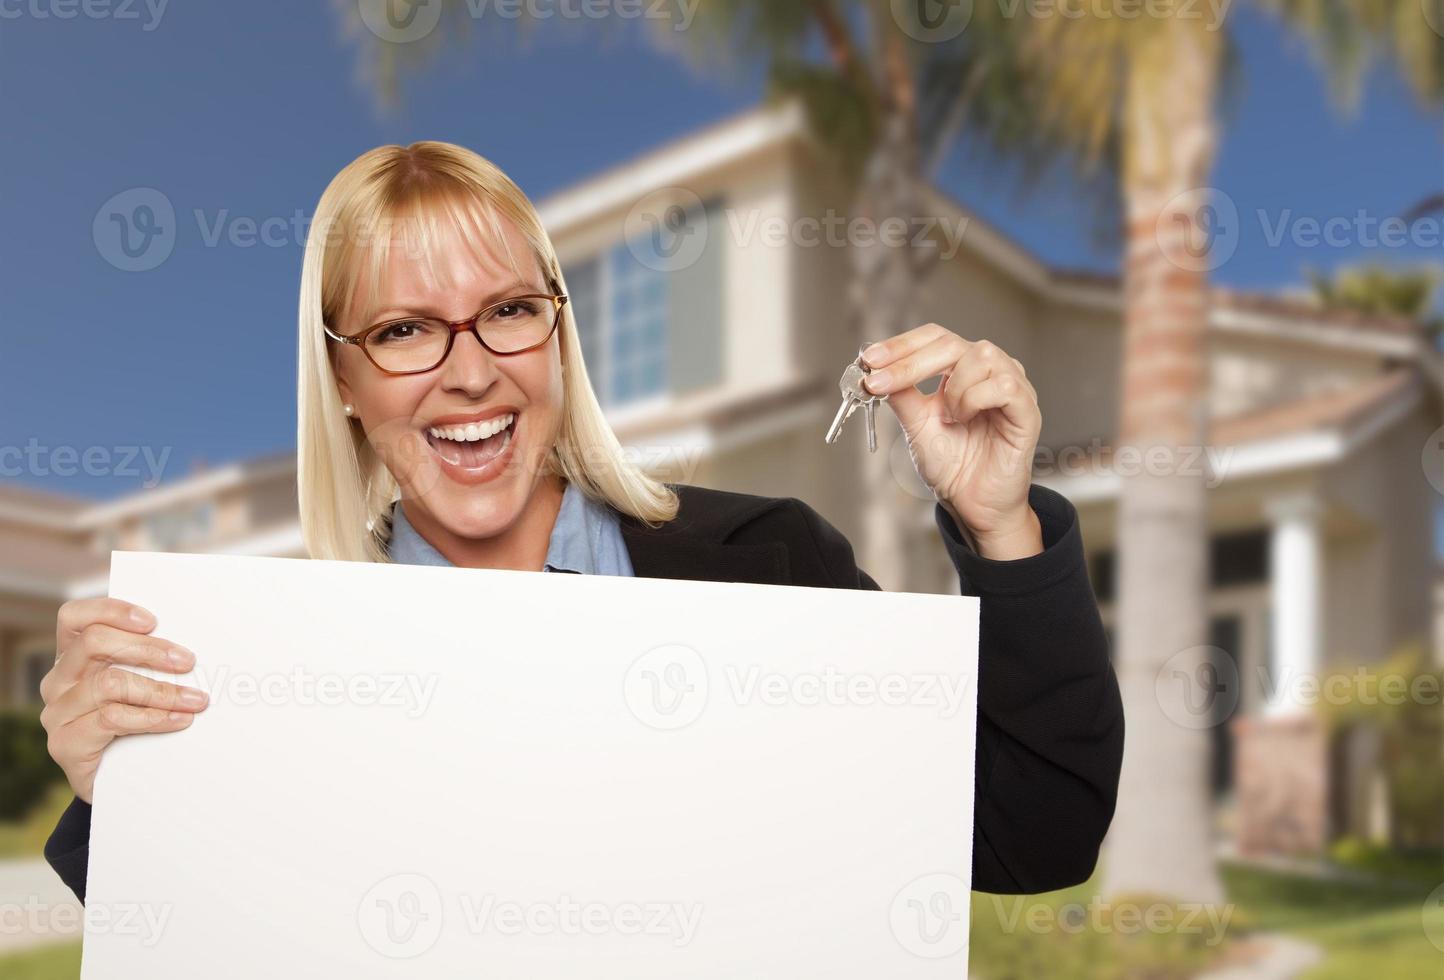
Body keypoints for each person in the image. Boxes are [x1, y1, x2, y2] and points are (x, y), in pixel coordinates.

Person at [41, 142, 1123, 903]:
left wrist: (999, 524)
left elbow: (1038, 831)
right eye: (406, 328)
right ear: (343, 380)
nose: (471, 372)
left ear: (559, 333)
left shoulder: (771, 563)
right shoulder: (260, 668)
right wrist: (128, 789)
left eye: (510, 311)